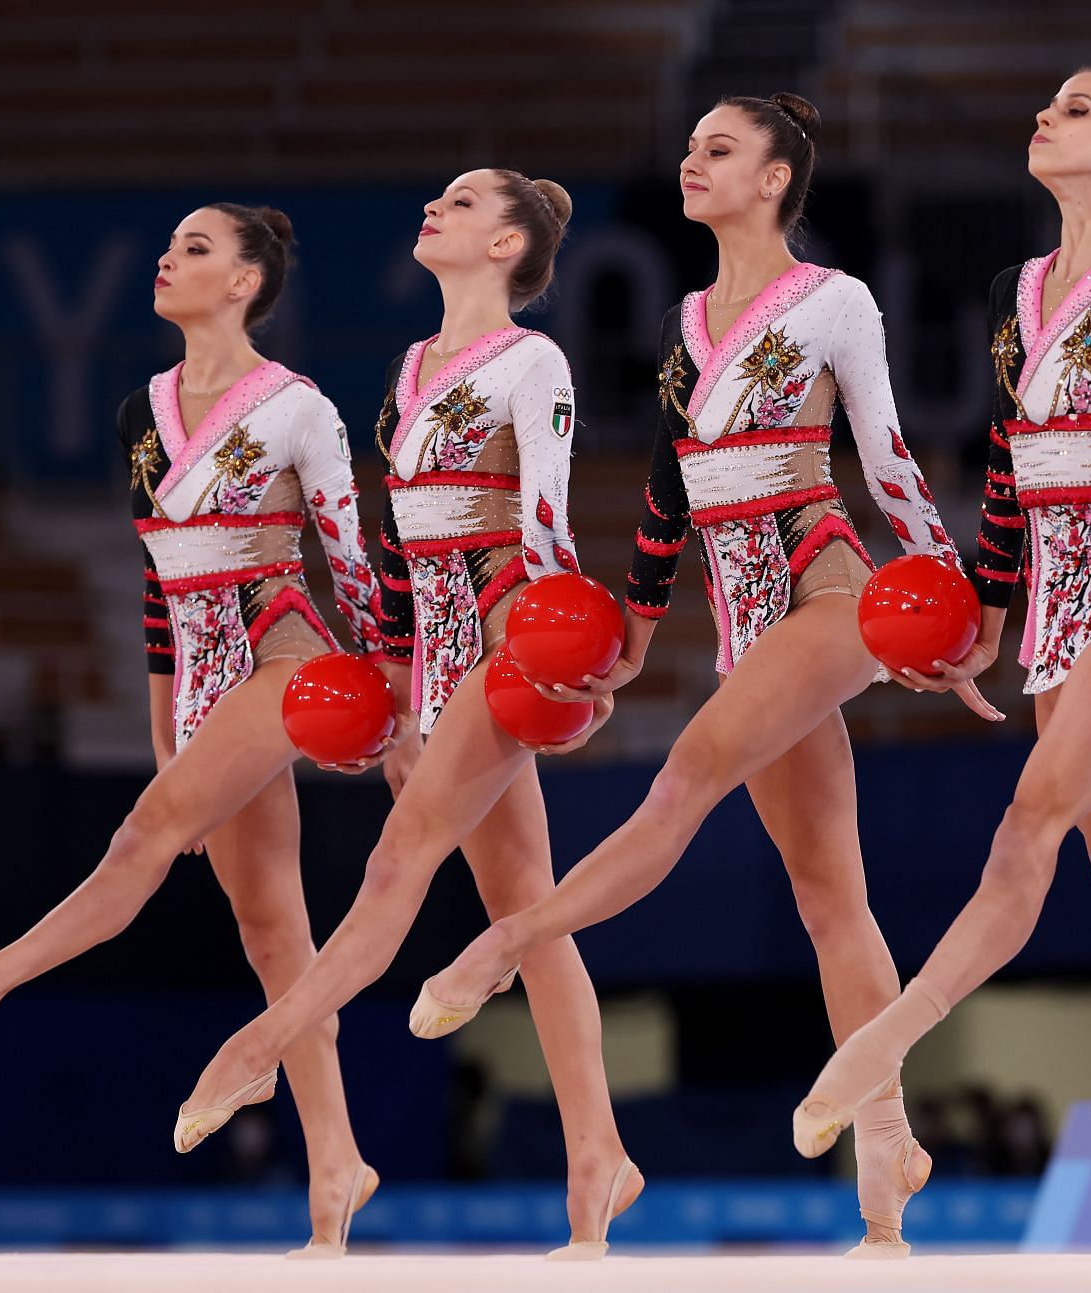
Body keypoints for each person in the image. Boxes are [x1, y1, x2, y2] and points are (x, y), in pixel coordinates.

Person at [408, 92, 990, 1257]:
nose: (692, 163)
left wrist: (947, 604)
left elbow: (882, 450)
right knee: (830, 895)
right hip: (741, 615)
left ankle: (503, 949)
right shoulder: (685, 323)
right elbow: (671, 493)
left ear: (775, 179)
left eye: (719, 150)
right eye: (689, 149)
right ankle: (890, 1163)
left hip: (826, 584)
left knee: (685, 780)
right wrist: (631, 624)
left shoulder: (834, 302)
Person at [790, 69, 1091, 1257]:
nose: (1049, 117)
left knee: (1025, 830)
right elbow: (1007, 462)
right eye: (1047, 105)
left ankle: (883, 1044)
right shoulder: (1019, 288)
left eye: (1081, 110)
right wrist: (992, 609)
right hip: (1054, 592)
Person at [0, 203, 383, 1257]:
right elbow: (159, 596)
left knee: (135, 844)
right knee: (272, 934)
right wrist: (172, 751)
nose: (167, 257)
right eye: (169, 245)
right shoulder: (142, 412)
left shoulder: (298, 407)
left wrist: (387, 702)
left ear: (245, 282)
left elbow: (352, 565)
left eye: (195, 248)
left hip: (284, 653)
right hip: (202, 682)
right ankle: (338, 1164)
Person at [173, 172, 642, 1260]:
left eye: (466, 203)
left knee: (398, 865)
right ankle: (599, 1154)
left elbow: (546, 520)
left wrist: (562, 657)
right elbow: (387, 547)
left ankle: (256, 1050)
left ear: (509, 243)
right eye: (437, 198)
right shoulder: (408, 370)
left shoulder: (536, 361)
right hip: (433, 649)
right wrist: (393, 683)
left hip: (506, 631)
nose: (436, 208)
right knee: (524, 898)